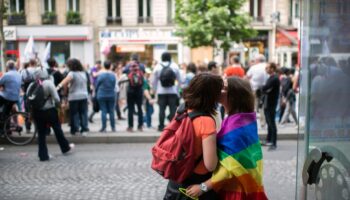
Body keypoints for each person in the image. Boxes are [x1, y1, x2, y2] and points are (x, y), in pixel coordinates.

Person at [185, 77, 268, 200]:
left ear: (233, 96)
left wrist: (202, 187)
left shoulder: (236, 127)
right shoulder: (243, 118)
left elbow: (229, 169)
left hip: (235, 191)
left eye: (223, 88)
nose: (219, 90)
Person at [163, 73, 223, 200]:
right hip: (197, 182)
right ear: (212, 96)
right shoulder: (206, 121)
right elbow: (210, 164)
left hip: (177, 178)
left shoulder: (182, 110)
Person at [31, 68, 74, 161]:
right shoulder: (48, 83)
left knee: (41, 134)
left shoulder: (31, 85)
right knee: (57, 129)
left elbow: (29, 99)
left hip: (37, 112)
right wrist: (59, 107)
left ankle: (43, 156)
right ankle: (65, 148)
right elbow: (57, 99)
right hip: (50, 111)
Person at [57, 58, 89, 136]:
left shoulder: (71, 73)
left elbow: (66, 80)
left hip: (74, 96)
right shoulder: (83, 73)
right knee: (83, 113)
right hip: (84, 95)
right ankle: (84, 129)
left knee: (74, 113)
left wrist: (58, 87)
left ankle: (75, 129)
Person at [152, 52, 183, 131]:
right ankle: (173, 126)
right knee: (173, 110)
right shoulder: (174, 66)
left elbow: (153, 81)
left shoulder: (157, 66)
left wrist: (154, 90)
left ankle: (161, 126)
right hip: (172, 91)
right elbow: (180, 79)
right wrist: (177, 89)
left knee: (161, 110)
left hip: (161, 92)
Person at [246, 54, 269, 128]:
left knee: (254, 107)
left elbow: (247, 77)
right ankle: (263, 122)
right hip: (266, 89)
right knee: (263, 106)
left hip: (255, 89)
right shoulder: (267, 66)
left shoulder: (254, 67)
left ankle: (254, 123)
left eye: (255, 60)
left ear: (258, 60)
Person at [124, 54, 146, 132]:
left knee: (130, 108)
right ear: (138, 58)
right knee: (140, 108)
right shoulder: (142, 66)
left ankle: (130, 126)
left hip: (130, 90)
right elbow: (143, 74)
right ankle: (140, 126)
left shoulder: (128, 66)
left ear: (131, 58)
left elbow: (124, 72)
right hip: (139, 90)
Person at [262, 62, 280, 150]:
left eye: (267, 68)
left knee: (271, 123)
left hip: (271, 103)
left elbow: (265, 88)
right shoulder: (271, 78)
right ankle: (269, 140)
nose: (266, 69)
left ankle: (274, 142)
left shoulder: (274, 78)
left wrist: (262, 89)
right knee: (269, 122)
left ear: (272, 69)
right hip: (268, 103)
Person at [95, 61, 116, 132]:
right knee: (111, 111)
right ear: (110, 66)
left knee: (103, 111)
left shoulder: (101, 75)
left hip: (101, 94)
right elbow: (114, 85)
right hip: (111, 94)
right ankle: (113, 127)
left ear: (104, 66)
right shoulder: (113, 75)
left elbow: (97, 85)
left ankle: (104, 127)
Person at [0, 61, 22, 130]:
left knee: (4, 113)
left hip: (6, 96)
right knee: (6, 113)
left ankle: (3, 128)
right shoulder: (19, 74)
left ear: (7, 67)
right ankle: (5, 129)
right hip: (15, 98)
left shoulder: (6, 75)